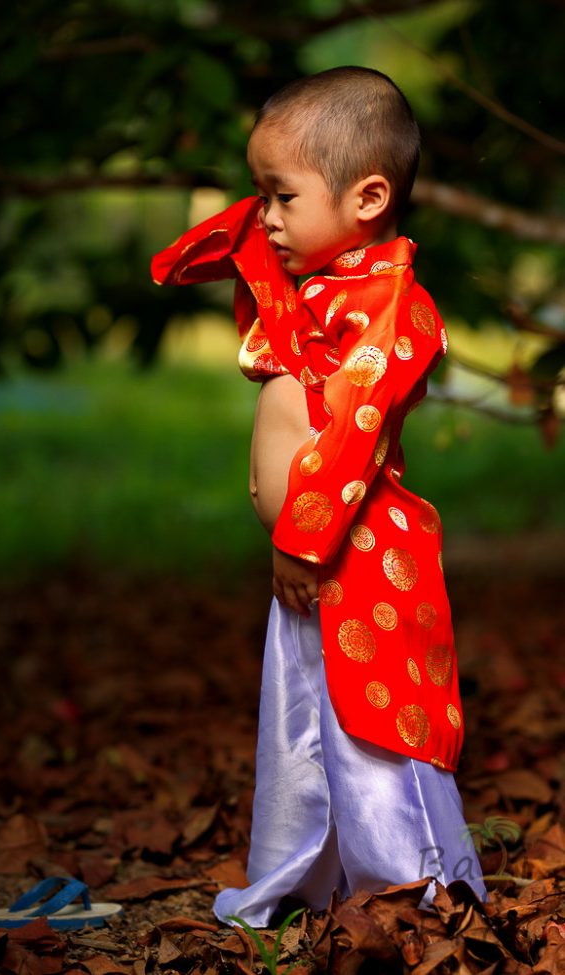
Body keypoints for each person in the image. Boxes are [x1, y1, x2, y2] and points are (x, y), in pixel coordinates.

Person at [152, 66, 486, 927]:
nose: (264, 215)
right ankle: (307, 879)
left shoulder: (394, 306)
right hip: (308, 561)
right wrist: (271, 206)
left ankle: (422, 891)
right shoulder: (319, 284)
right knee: (303, 726)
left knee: (376, 729)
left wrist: (302, 538)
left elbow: (354, 429)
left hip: (355, 552)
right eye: (260, 193)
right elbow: (231, 254)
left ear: (369, 196)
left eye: (281, 195)